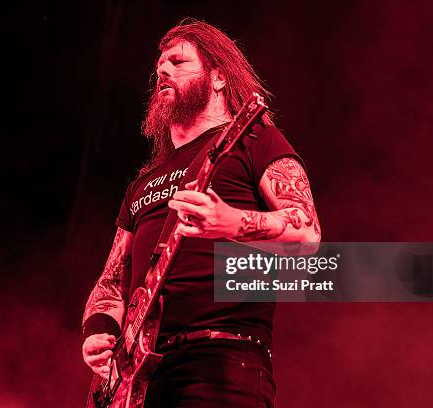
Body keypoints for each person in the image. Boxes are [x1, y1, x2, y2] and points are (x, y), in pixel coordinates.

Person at [81, 19, 321, 407]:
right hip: (136, 381)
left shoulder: (252, 139)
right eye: (160, 66)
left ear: (219, 78)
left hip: (220, 362)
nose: (163, 70)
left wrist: (231, 222)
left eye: (178, 62)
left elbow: (307, 231)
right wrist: (98, 330)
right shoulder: (143, 182)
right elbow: (111, 278)